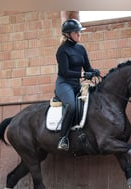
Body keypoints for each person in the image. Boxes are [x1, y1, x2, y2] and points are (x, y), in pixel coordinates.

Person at [55, 19, 100, 151]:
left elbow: (87, 68)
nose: (79, 34)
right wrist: (82, 75)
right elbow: (65, 72)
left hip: (76, 85)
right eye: (77, 32)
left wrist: (93, 72)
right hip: (64, 84)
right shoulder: (62, 51)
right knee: (72, 106)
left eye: (80, 32)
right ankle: (63, 138)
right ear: (68, 34)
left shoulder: (81, 49)